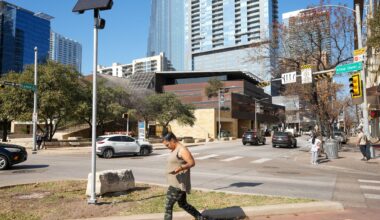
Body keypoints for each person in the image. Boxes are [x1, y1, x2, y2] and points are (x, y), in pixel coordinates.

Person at [162, 132, 204, 220]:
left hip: (178, 184)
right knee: (183, 204)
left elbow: (192, 163)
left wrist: (180, 168)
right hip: (175, 182)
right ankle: (200, 217)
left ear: (173, 140)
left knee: (168, 206)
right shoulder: (175, 149)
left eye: (167, 145)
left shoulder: (182, 150)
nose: (167, 147)